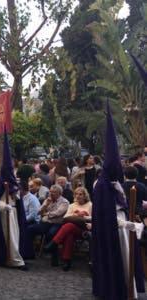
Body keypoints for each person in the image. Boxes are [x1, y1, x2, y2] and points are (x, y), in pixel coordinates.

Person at [92, 102, 145, 299]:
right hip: (116, 231)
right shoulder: (103, 186)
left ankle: (127, 288)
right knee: (120, 259)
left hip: (122, 228)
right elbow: (106, 216)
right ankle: (118, 289)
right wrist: (129, 225)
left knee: (127, 258)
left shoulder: (114, 184)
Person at [0, 131, 28, 270]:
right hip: (5, 215)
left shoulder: (14, 183)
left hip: (14, 213)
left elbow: (17, 198)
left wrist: (16, 196)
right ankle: (14, 259)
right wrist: (4, 206)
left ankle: (17, 257)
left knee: (16, 236)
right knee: (9, 237)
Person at [44, 187, 92, 271]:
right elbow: (65, 218)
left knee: (69, 226)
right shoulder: (72, 205)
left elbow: (93, 218)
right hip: (72, 228)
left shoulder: (90, 205)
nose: (78, 196)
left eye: (80, 194)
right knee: (69, 232)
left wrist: (83, 216)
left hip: (84, 230)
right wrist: (76, 216)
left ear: (85, 195)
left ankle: (54, 244)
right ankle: (66, 260)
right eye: (76, 194)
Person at [24, 184, 69, 263]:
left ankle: (54, 257)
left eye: (54, 192)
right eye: (50, 192)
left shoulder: (64, 202)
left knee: (51, 233)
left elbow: (58, 213)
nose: (51, 194)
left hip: (57, 223)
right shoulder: (48, 200)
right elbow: (39, 212)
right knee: (29, 229)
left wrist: (46, 214)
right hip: (46, 222)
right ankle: (29, 253)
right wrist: (45, 205)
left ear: (59, 193)